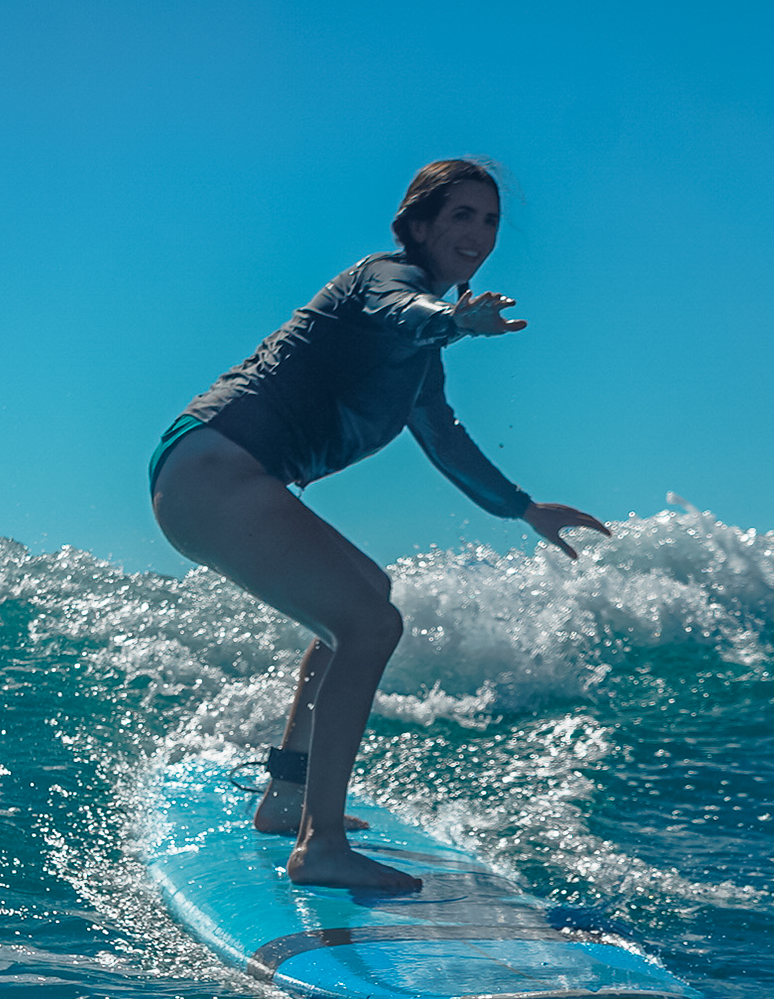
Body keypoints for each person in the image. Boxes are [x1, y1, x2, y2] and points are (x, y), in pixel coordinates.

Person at [149, 158, 611, 893]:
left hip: (216, 474)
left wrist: (523, 508)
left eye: (490, 220)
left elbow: (444, 438)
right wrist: (454, 321)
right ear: (419, 225)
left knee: (369, 594)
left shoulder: (420, 359)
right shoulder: (384, 279)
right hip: (212, 469)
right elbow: (406, 310)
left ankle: (287, 798)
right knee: (371, 626)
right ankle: (321, 845)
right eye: (461, 215)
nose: (479, 232)